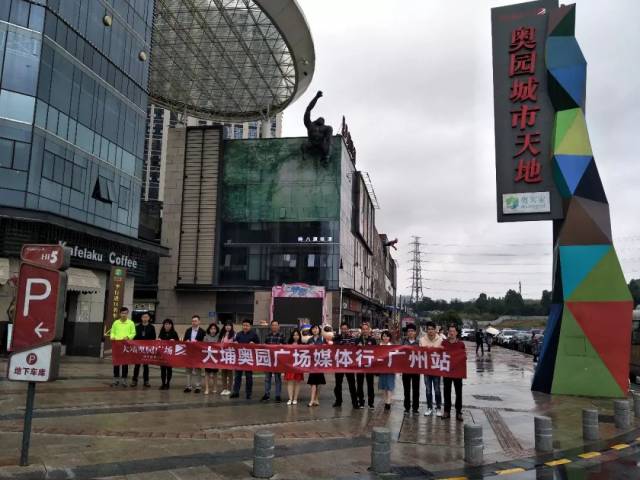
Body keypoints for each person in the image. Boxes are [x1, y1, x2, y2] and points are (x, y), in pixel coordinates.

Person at [230, 319, 260, 399]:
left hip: (249, 359)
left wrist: (254, 344)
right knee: (237, 376)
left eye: (247, 325)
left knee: (249, 376)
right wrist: (235, 342)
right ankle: (236, 392)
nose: (245, 327)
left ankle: (248, 393)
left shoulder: (254, 335)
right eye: (244, 325)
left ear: (250, 326)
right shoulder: (238, 334)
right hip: (239, 359)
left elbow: (259, 345)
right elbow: (234, 342)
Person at [442, 324, 466, 421]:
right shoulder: (444, 343)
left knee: (458, 392)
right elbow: (439, 355)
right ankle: (446, 411)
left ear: (456, 333)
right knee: (446, 391)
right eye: (450, 331)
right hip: (447, 371)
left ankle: (458, 412)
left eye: (453, 331)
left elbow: (464, 357)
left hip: (457, 372)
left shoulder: (461, 344)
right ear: (448, 332)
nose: (451, 333)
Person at [333, 322, 359, 409]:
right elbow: (334, 348)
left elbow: (355, 349)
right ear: (340, 329)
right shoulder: (336, 338)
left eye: (345, 328)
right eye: (342, 328)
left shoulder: (352, 339)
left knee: (352, 384)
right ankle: (338, 401)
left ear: (348, 329)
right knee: (338, 384)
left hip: (349, 365)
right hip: (339, 364)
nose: (344, 330)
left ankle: (355, 402)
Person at [420, 321, 443, 417]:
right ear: (426, 330)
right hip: (426, 369)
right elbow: (419, 353)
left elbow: (445, 352)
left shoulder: (441, 339)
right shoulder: (422, 340)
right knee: (428, 389)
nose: (430, 331)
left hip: (437, 368)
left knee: (437, 389)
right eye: (428, 329)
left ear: (435, 330)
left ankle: (438, 408)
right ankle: (429, 407)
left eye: (432, 329)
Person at [110, 307, 136, 387]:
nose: (124, 315)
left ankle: (124, 380)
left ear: (127, 314)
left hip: (126, 346)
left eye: (125, 313)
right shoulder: (116, 323)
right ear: (120, 314)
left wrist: (128, 337)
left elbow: (133, 333)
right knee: (116, 363)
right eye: (122, 313)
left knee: (125, 363)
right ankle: (116, 379)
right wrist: (112, 337)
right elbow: (112, 332)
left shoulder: (131, 323)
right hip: (117, 345)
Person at [262, 320, 285, 402]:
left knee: (277, 378)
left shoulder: (282, 335)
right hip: (269, 360)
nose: (274, 326)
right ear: (271, 326)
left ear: (278, 327)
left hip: (277, 361)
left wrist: (282, 346)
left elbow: (286, 348)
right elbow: (264, 347)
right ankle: (266, 394)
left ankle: (278, 395)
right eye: (273, 325)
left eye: (276, 325)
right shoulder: (268, 335)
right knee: (267, 378)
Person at [131, 312, 156, 387]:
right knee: (137, 365)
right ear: (141, 318)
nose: (145, 318)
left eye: (146, 317)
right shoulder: (137, 327)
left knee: (146, 366)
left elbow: (153, 338)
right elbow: (135, 338)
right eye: (143, 317)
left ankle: (146, 381)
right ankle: (134, 380)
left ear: (149, 318)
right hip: (138, 349)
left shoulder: (152, 327)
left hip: (147, 349)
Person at [356, 322, 377, 409]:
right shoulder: (357, 340)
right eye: (363, 329)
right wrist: (357, 347)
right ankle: (361, 401)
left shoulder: (372, 340)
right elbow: (353, 352)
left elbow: (376, 352)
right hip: (360, 365)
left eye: (366, 329)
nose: (365, 331)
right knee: (360, 384)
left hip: (369, 365)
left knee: (370, 384)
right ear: (361, 330)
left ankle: (371, 402)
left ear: (369, 330)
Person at [183, 315, 206, 393]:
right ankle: (188, 386)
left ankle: (198, 386)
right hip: (189, 353)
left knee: (198, 370)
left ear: (199, 322)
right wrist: (186, 341)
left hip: (198, 353)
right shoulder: (188, 330)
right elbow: (184, 340)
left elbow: (204, 343)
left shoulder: (202, 331)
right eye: (192, 321)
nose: (194, 322)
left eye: (195, 321)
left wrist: (198, 343)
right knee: (188, 370)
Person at [402, 323, 420, 414]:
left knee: (416, 389)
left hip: (416, 369)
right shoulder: (403, 342)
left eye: (412, 331)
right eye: (409, 331)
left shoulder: (419, 343)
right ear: (407, 332)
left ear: (415, 332)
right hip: (405, 369)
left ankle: (415, 408)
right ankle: (407, 407)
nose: (410, 333)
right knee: (406, 389)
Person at [306, 324, 326, 407]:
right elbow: (306, 351)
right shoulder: (309, 340)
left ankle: (316, 399)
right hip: (312, 364)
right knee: (313, 383)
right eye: (313, 329)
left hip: (320, 363)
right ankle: (312, 400)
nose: (315, 330)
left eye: (316, 328)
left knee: (319, 383)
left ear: (319, 330)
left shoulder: (322, 339)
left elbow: (327, 350)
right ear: (311, 330)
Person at [284, 328, 304, 405]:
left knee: (297, 382)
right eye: (294, 335)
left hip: (298, 366)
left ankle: (295, 398)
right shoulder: (288, 345)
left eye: (297, 335)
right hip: (290, 366)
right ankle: (290, 398)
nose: (295, 336)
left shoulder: (302, 345)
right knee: (290, 382)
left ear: (299, 336)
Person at [158, 318, 179, 390]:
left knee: (169, 370)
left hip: (170, 355)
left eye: (169, 324)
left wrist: (174, 341)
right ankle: (163, 383)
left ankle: (168, 383)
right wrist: (159, 341)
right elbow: (158, 343)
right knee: (162, 370)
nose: (167, 325)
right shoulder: (161, 332)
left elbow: (178, 343)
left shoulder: (174, 333)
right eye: (166, 324)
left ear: (171, 325)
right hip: (162, 355)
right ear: (164, 325)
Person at [378, 330, 395, 411]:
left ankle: (388, 402)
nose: (385, 338)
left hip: (390, 369)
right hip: (381, 369)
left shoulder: (392, 346)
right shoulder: (379, 346)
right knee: (383, 386)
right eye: (384, 336)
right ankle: (385, 401)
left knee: (389, 386)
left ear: (389, 338)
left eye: (387, 336)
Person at [218, 322, 235, 395]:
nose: (228, 327)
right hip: (223, 355)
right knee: (223, 372)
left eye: (229, 325)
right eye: (226, 325)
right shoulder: (222, 334)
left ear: (231, 327)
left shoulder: (234, 334)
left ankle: (229, 388)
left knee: (230, 373)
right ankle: (224, 388)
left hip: (230, 355)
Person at [203, 323, 220, 395]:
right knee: (207, 373)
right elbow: (202, 347)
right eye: (211, 329)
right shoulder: (205, 337)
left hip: (215, 358)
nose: (213, 330)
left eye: (214, 329)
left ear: (216, 330)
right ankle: (207, 388)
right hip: (208, 358)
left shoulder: (218, 337)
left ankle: (215, 387)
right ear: (209, 330)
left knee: (215, 374)